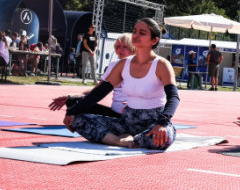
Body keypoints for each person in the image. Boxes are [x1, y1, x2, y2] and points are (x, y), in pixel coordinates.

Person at [65, 19, 178, 150]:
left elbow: (173, 97)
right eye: (134, 31)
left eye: (142, 33)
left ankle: (130, 139)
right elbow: (99, 92)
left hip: (154, 121)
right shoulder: (123, 64)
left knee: (163, 138)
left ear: (154, 40)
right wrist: (72, 111)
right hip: (127, 121)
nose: (136, 35)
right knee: (77, 120)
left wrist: (162, 123)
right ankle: (118, 140)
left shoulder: (162, 65)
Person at [51, 33, 136, 118]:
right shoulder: (113, 65)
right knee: (72, 101)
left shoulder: (140, 67)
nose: (120, 50)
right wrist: (72, 96)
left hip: (133, 115)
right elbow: (98, 89)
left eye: (125, 47)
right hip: (114, 114)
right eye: (118, 47)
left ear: (133, 48)